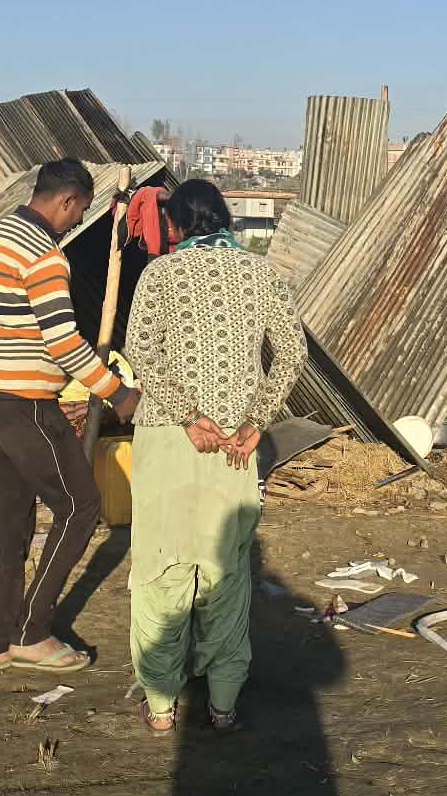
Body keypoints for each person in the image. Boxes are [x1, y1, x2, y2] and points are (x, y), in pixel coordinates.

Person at [122, 180, 306, 733]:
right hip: (234, 447)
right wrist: (255, 422)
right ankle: (223, 706)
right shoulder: (260, 272)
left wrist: (185, 414)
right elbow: (292, 354)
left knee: (161, 570)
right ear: (224, 219)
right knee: (225, 574)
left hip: (169, 439)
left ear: (175, 227)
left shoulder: (161, 274)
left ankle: (160, 708)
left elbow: (140, 351)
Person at [0, 158, 140, 674]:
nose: (77, 222)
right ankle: (32, 633)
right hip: (24, 404)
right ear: (66, 201)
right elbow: (63, 343)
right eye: (79, 212)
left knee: (10, 520)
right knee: (81, 507)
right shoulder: (44, 256)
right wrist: (118, 393)